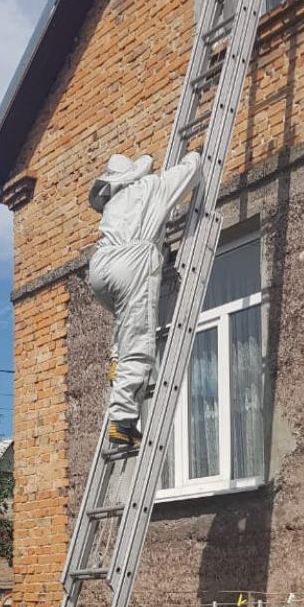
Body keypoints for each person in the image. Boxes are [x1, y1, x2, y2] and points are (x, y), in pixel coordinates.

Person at [88, 149, 202, 448]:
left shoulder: (112, 204)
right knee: (138, 340)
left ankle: (117, 360)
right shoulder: (150, 187)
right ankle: (123, 422)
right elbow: (189, 173)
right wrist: (195, 155)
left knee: (125, 318)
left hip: (99, 267)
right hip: (132, 261)